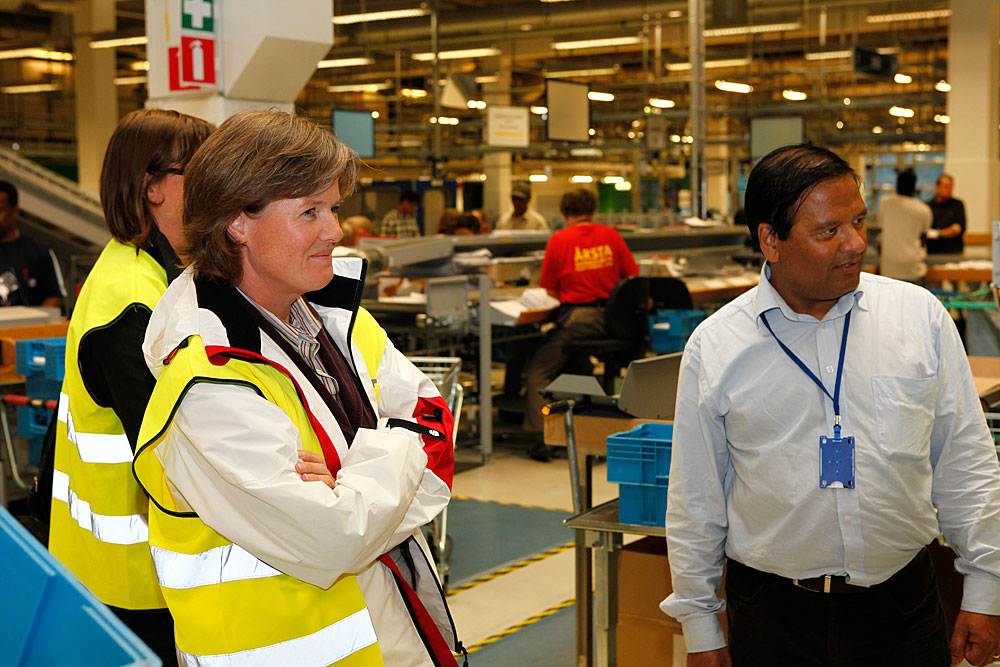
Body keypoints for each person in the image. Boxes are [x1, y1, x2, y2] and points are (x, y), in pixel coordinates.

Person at [132, 111, 462, 666]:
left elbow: (437, 424)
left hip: (391, 631)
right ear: (237, 223)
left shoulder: (335, 321)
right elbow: (337, 538)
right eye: (310, 212)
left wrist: (349, 477)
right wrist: (390, 455)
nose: (335, 231)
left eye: (333, 208)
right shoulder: (209, 383)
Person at [662, 144, 1000, 667]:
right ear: (770, 240)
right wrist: (701, 627)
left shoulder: (918, 318)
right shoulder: (718, 345)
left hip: (901, 607)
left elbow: (965, 461)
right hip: (773, 615)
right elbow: (696, 498)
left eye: (859, 221)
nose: (856, 243)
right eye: (829, 231)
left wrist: (986, 589)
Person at [48, 108, 213, 666]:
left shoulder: (147, 271)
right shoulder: (132, 301)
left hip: (130, 561)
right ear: (151, 187)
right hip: (134, 574)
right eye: (199, 171)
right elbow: (173, 448)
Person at [522, 188, 638, 460]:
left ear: (564, 213)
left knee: (539, 368)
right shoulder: (611, 235)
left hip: (580, 320)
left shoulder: (559, 239)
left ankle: (545, 438)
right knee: (578, 362)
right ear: (593, 211)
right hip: (613, 319)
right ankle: (587, 429)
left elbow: (549, 289)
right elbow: (632, 277)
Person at [0, 180, 66, 309]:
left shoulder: (39, 251)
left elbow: (54, 296)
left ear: (15, 211)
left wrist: (35, 319)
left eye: (0, 210)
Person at [878, 168, 933, 283]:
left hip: (889, 267)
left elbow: (881, 226)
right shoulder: (923, 209)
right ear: (914, 186)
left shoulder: (884, 202)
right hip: (912, 267)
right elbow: (923, 237)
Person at [927, 173, 967, 255]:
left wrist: (938, 233)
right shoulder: (928, 206)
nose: (948, 190)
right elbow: (925, 230)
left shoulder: (957, 205)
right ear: (937, 187)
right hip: (933, 251)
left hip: (954, 251)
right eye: (946, 187)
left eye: (950, 187)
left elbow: (958, 228)